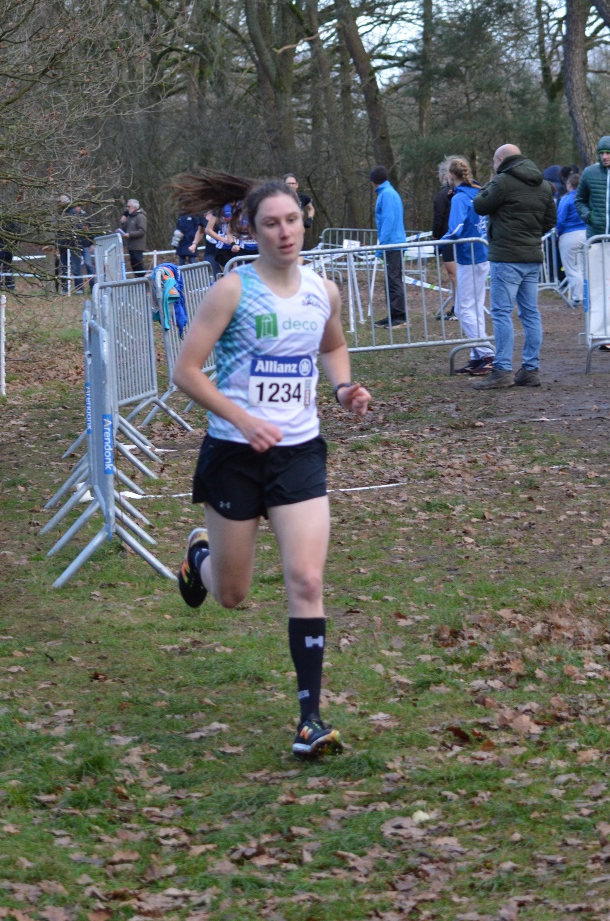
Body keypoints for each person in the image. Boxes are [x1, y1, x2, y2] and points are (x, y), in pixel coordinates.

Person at [167, 170, 372, 761]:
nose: (284, 233)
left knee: (307, 581)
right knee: (231, 596)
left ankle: (310, 720)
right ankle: (199, 557)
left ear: (305, 221)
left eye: (292, 220)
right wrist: (244, 417)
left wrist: (343, 388)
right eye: (270, 224)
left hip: (299, 454)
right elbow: (186, 371)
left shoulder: (322, 291)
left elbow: (330, 346)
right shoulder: (231, 290)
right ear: (250, 230)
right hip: (234, 454)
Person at [471, 144, 555, 391]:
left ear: (500, 160)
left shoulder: (503, 182)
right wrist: (530, 236)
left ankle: (502, 370)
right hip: (531, 257)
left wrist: (490, 182)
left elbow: (479, 205)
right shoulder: (543, 185)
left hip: (506, 257)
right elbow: (550, 221)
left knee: (501, 313)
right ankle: (530, 369)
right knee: (530, 313)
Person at [439, 156, 493, 375]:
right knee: (475, 307)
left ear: (450, 176)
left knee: (462, 309)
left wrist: (437, 243)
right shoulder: (477, 192)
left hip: (470, 258)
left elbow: (456, 229)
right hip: (481, 255)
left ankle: (488, 354)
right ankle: (477, 356)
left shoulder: (460, 198)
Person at [369, 166, 407, 329]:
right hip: (392, 244)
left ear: (373, 182)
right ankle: (393, 314)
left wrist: (381, 245)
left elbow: (388, 221)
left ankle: (400, 317)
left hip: (392, 244)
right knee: (390, 281)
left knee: (394, 280)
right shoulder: (387, 193)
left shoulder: (387, 195)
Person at [555, 172, 587, 308]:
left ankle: (578, 298)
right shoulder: (587, 198)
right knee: (583, 267)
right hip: (587, 234)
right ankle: (587, 295)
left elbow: (560, 219)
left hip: (570, 235)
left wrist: (557, 232)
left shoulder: (567, 199)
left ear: (569, 185)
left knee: (572, 269)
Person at [430, 160, 457, 314]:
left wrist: (435, 237)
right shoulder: (454, 193)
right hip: (453, 238)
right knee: (454, 275)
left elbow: (438, 217)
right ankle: (456, 306)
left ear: (443, 175)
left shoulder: (443, 195)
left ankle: (458, 307)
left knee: (454, 275)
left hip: (448, 238)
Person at [284, 174, 316, 249]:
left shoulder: (303, 197)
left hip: (299, 232)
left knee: (301, 254)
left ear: (297, 185)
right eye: (288, 184)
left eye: (293, 183)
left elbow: (311, 208)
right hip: (285, 231)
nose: (291, 185)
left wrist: (310, 218)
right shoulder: (279, 198)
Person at [118, 198, 147, 277]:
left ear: (135, 207)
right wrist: (123, 222)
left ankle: (143, 283)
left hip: (138, 246)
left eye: (128, 206)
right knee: (134, 267)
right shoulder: (130, 217)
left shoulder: (141, 217)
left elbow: (142, 231)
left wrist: (130, 234)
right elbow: (125, 229)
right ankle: (138, 284)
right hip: (130, 246)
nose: (127, 208)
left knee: (139, 267)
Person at [204, 205, 236, 274]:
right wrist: (222, 239)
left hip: (240, 245)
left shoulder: (241, 206)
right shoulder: (219, 209)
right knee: (228, 273)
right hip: (223, 248)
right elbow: (208, 229)